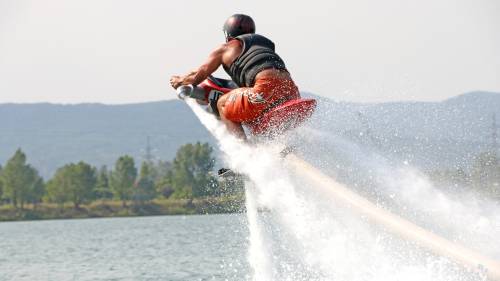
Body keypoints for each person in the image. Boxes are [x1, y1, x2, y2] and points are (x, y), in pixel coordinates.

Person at [170, 14, 300, 139]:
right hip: (291, 91)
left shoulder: (225, 49)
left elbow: (199, 74)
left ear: (228, 33)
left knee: (223, 104)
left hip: (263, 89)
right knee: (253, 107)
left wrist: (180, 80)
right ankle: (278, 144)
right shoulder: (264, 44)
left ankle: (244, 150)